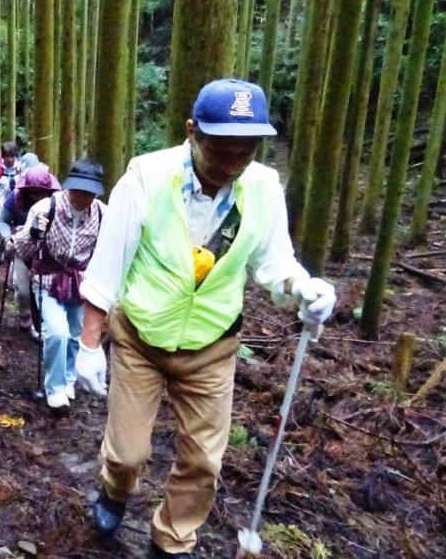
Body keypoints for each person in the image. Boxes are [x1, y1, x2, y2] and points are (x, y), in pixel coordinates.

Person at [75, 79, 337, 558]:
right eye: (222, 145)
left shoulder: (261, 188)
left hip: (212, 347)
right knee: (128, 452)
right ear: (192, 131)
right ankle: (115, 489)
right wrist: (89, 347)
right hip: (141, 339)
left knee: (203, 461)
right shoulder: (146, 179)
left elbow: (274, 262)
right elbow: (106, 268)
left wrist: (304, 288)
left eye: (247, 147)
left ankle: (173, 538)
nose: (233, 158)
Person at [12, 159, 106, 410]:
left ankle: (69, 380)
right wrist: (32, 234)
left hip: (81, 283)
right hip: (47, 280)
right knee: (57, 333)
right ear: (68, 186)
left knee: (75, 334)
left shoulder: (101, 213)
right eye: (78, 190)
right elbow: (22, 250)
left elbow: (107, 251)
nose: (82, 197)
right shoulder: (45, 209)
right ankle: (55, 388)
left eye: (88, 193)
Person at [0, 166, 61, 338]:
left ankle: (42, 324)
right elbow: (2, 221)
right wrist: (8, 237)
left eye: (42, 192)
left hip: (48, 252)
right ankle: (25, 314)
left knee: (44, 289)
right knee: (23, 289)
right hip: (22, 248)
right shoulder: (16, 198)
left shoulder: (57, 201)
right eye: (34, 192)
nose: (38, 197)